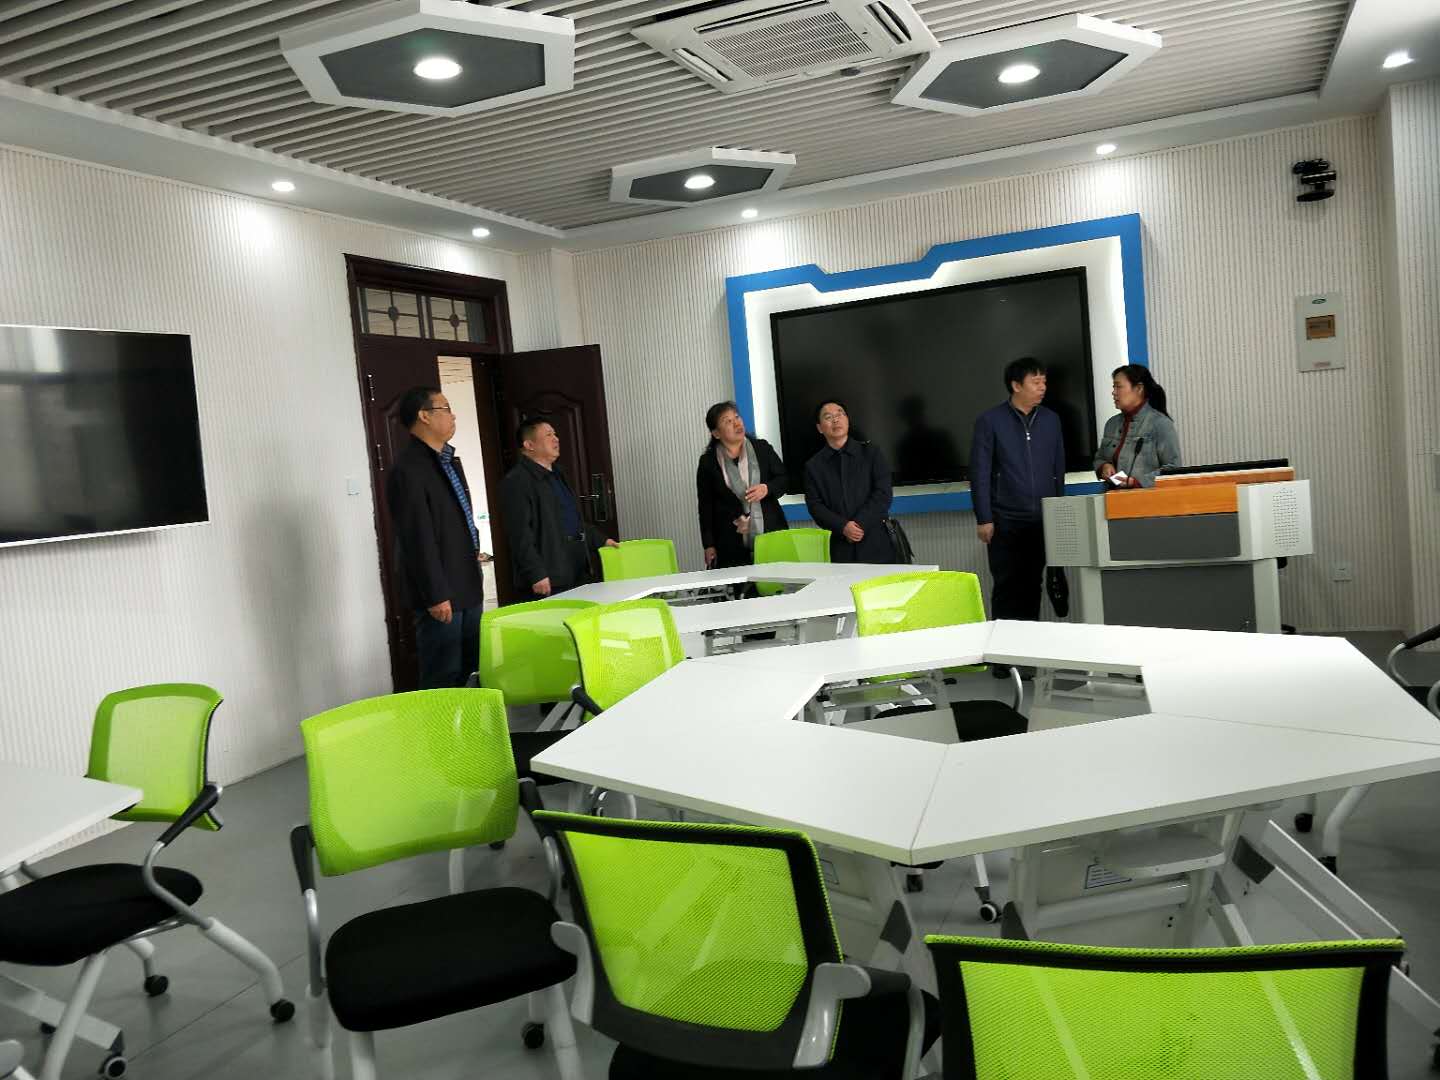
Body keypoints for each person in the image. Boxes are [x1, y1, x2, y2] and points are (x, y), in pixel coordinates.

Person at [386, 386, 487, 690]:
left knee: (472, 669)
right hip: (440, 591)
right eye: (446, 408)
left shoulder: (446, 461)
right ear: (424, 416)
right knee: (443, 675)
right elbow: (417, 537)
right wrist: (435, 594)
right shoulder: (409, 469)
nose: (453, 416)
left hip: (466, 580)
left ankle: (471, 722)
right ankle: (442, 724)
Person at [970, 358, 1067, 648]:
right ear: (1016, 385)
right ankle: (1003, 656)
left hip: (1041, 519)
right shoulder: (990, 421)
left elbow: (1058, 469)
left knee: (1033, 586)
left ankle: (1028, 652)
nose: (1043, 387)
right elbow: (980, 472)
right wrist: (984, 518)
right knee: (1007, 587)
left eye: (1044, 381)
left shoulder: (1051, 420)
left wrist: (1057, 512)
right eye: (1036, 382)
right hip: (1005, 520)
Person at [501, 416, 617, 597]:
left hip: (576, 565)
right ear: (530, 445)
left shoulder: (558, 473)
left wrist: (601, 540)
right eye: (548, 435)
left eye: (555, 434)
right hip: (550, 574)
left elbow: (571, 518)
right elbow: (519, 534)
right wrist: (536, 573)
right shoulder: (517, 481)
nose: (556, 439)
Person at [696, 401, 789, 569]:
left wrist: (767, 488)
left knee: (778, 581)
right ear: (716, 433)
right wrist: (708, 544)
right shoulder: (708, 462)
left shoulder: (762, 448)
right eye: (728, 421)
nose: (736, 423)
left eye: (737, 417)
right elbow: (705, 506)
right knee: (740, 585)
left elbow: (784, 480)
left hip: (771, 530)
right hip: (730, 540)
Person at [804, 399, 897, 563]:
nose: (835, 419)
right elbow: (815, 505)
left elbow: (883, 494)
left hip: (876, 539)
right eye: (828, 417)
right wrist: (843, 527)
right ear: (819, 428)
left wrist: (859, 525)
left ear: (847, 420)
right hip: (840, 543)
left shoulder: (871, 453)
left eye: (840, 414)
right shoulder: (814, 466)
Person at [1094, 364, 1181, 488]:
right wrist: (1104, 466)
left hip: (1146, 497)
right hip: (1113, 497)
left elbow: (1173, 468)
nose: (1113, 392)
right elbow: (1099, 458)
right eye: (1114, 387)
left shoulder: (1160, 423)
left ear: (1139, 388)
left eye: (1119, 387)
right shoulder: (1111, 424)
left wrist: (1137, 482)